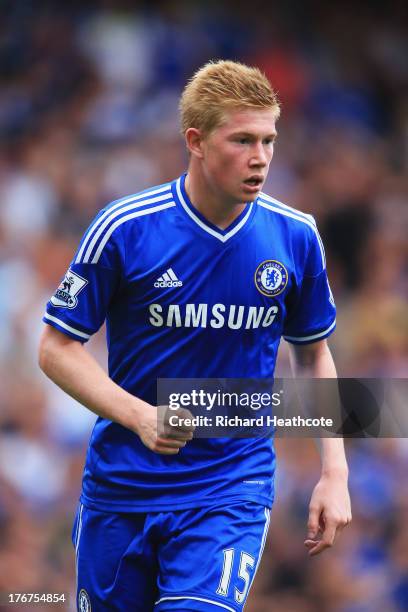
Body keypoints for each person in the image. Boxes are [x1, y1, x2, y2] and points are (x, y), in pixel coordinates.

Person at [39, 60, 351, 612]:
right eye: (243, 140)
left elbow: (312, 356)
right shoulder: (125, 228)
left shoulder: (296, 235)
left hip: (230, 488)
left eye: (270, 140)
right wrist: (139, 416)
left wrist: (334, 472)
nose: (261, 158)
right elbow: (56, 348)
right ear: (196, 141)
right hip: (123, 487)